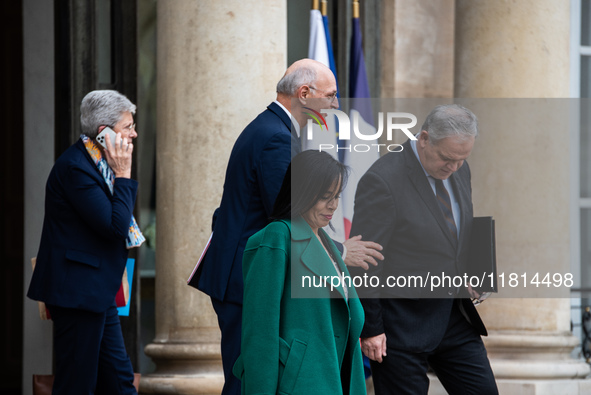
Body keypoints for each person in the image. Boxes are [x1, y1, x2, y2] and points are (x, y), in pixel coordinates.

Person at [189, 59, 383, 394]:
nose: (336, 105)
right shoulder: (276, 137)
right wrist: (339, 251)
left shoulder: (270, 129)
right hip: (251, 280)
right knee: (249, 376)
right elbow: (294, 213)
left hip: (251, 273)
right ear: (304, 93)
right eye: (331, 95)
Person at [350, 104, 498, 394]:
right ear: (424, 138)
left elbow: (453, 232)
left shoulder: (459, 168)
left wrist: (468, 272)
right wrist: (371, 329)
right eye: (447, 158)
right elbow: (365, 261)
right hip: (400, 327)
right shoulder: (382, 180)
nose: (454, 167)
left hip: (455, 318)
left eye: (461, 159)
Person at [27, 90, 143, 394]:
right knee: (77, 385)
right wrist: (124, 174)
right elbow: (116, 227)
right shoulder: (76, 168)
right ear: (103, 134)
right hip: (78, 293)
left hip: (98, 292)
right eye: (127, 127)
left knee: (120, 383)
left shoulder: (98, 165)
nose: (134, 133)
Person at [233, 150, 366, 394]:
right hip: (299, 385)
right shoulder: (277, 236)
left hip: (338, 378)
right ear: (302, 193)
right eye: (326, 196)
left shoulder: (326, 241)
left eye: (337, 196)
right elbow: (260, 330)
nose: (334, 205)